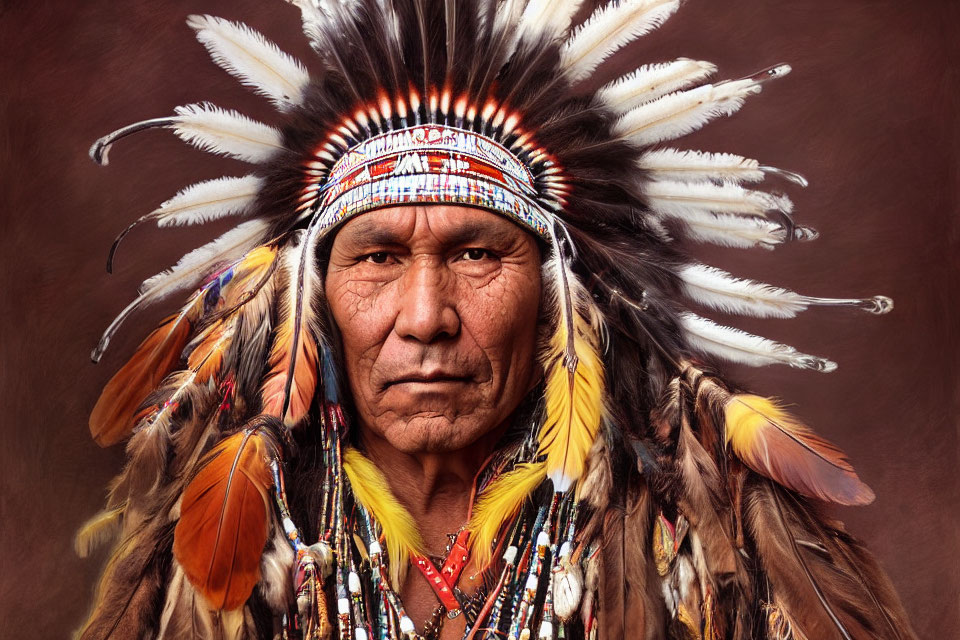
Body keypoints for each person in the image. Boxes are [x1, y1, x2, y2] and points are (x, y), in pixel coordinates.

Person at [75, 2, 916, 639]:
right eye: (376, 258)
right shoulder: (242, 543)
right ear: (308, 299)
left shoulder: (706, 537)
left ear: (556, 296)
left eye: (478, 254)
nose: (426, 318)